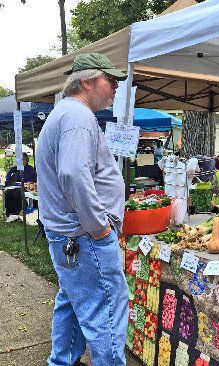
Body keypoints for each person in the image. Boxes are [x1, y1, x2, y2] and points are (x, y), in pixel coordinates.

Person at [36, 53, 129, 365]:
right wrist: (99, 227)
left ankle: (62, 360)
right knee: (105, 310)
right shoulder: (78, 116)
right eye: (110, 79)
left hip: (70, 236)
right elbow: (74, 174)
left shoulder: (65, 113)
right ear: (87, 81)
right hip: (84, 236)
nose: (116, 86)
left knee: (73, 301)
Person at [4, 152, 36, 222]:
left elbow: (31, 181)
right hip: (13, 187)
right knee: (7, 193)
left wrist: (18, 178)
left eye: (22, 159)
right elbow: (8, 178)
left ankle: (15, 214)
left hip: (25, 188)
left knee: (18, 194)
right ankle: (9, 214)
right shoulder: (14, 168)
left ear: (26, 160)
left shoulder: (30, 169)